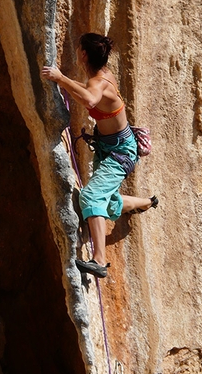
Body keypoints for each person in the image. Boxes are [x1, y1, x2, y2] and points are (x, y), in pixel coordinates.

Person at [42, 33, 158, 278]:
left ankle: (99, 261)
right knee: (107, 198)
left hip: (120, 152)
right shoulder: (99, 77)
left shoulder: (100, 82)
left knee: (92, 196)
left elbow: (90, 97)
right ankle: (144, 203)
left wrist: (60, 78)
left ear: (84, 54)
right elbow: (88, 93)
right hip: (111, 146)